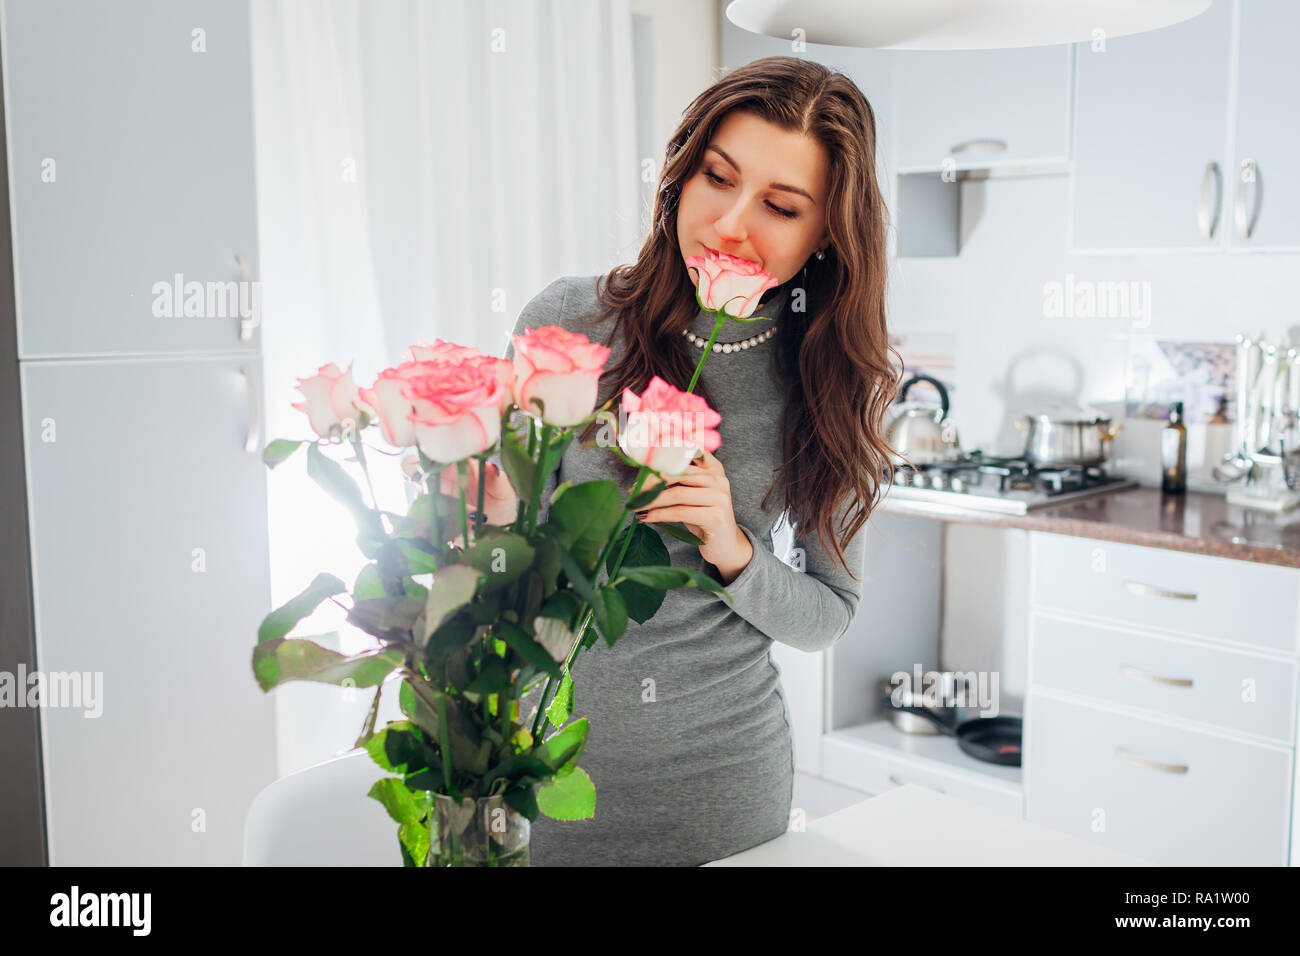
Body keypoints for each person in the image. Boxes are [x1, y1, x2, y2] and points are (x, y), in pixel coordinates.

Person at [480, 55, 898, 865]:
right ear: (681, 172)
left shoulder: (829, 381)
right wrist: (473, 506)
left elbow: (830, 613)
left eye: (781, 206)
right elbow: (502, 541)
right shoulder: (570, 319)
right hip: (542, 769)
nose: (732, 223)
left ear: (824, 235)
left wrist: (733, 550)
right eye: (718, 176)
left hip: (722, 789)